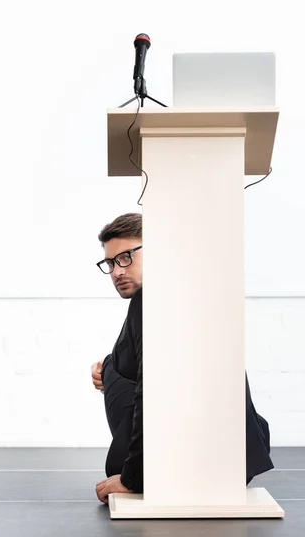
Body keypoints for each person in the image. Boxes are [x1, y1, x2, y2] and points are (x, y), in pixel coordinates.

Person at [93, 212, 274, 505]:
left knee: (116, 365)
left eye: (126, 257)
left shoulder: (149, 300)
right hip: (235, 462)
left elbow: (151, 391)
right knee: (115, 364)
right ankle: (112, 366)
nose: (117, 271)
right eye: (110, 263)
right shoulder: (197, 293)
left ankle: (112, 367)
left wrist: (134, 477)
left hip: (177, 462)